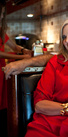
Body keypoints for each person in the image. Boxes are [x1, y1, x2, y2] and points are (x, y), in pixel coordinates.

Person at [0, 1, 32, 137]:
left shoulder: (1, 31)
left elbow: (13, 46)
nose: (1, 18)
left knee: (3, 106)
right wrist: (21, 57)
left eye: (2, 15)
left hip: (2, 70)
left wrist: (24, 50)